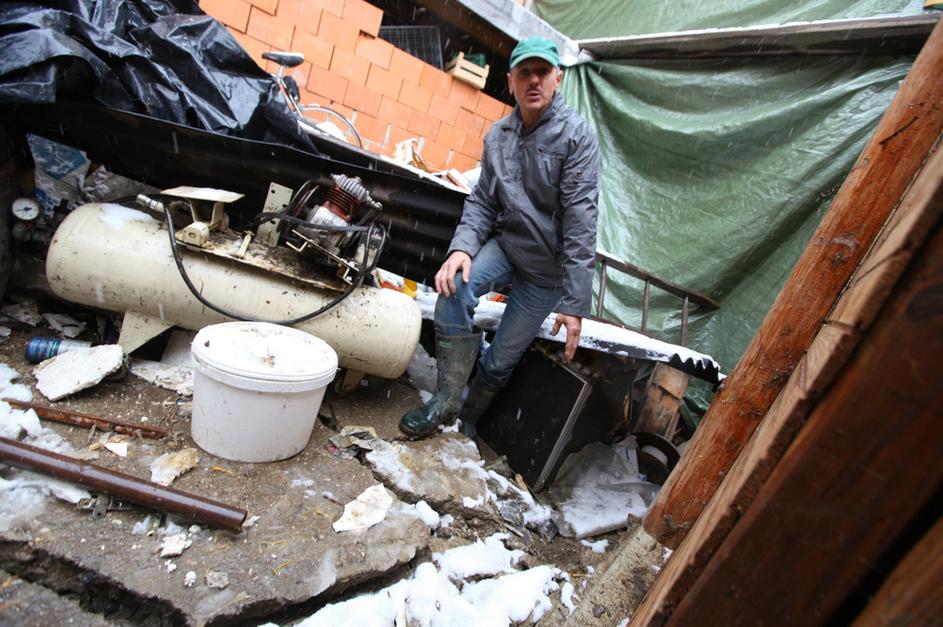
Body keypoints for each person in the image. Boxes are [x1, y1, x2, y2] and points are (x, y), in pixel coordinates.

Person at [399, 37, 601, 439]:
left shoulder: (577, 137)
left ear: (557, 79)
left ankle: (471, 417)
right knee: (453, 290)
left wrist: (575, 303)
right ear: (510, 82)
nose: (534, 81)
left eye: (542, 72)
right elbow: (482, 202)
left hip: (547, 270)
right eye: (525, 73)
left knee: (501, 359)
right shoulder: (499, 136)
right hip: (508, 246)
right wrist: (461, 249)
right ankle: (444, 401)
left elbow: (582, 221)